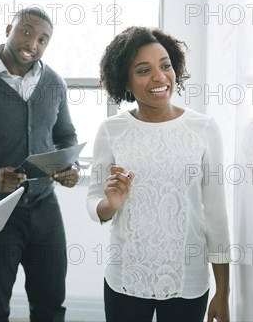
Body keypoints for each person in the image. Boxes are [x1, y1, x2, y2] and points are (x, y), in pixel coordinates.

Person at [87, 26, 231, 322]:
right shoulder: (111, 130)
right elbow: (95, 204)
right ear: (125, 81)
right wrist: (111, 204)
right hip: (124, 277)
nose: (159, 77)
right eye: (143, 70)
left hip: (187, 281)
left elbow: (216, 215)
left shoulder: (204, 129)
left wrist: (223, 292)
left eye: (165, 66)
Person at [0, 7, 80, 322]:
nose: (32, 43)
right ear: (9, 28)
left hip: (44, 208)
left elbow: (66, 136)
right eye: (26, 32)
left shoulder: (53, 83)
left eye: (42, 39)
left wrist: (68, 166)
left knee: (51, 305)